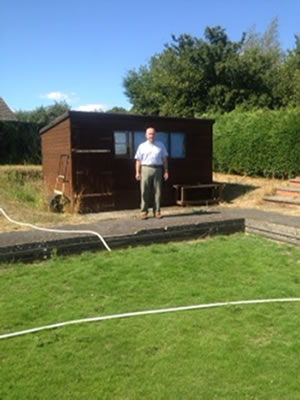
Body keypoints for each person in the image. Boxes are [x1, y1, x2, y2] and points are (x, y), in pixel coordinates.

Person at [135, 127, 169, 219]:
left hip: (158, 169)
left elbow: (165, 159)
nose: (151, 136)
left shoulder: (160, 145)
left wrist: (166, 170)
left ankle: (157, 211)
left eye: (153, 134)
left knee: (158, 191)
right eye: (149, 134)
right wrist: (137, 172)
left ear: (155, 135)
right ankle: (144, 212)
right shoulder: (142, 146)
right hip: (145, 169)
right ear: (146, 135)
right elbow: (138, 160)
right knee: (144, 191)